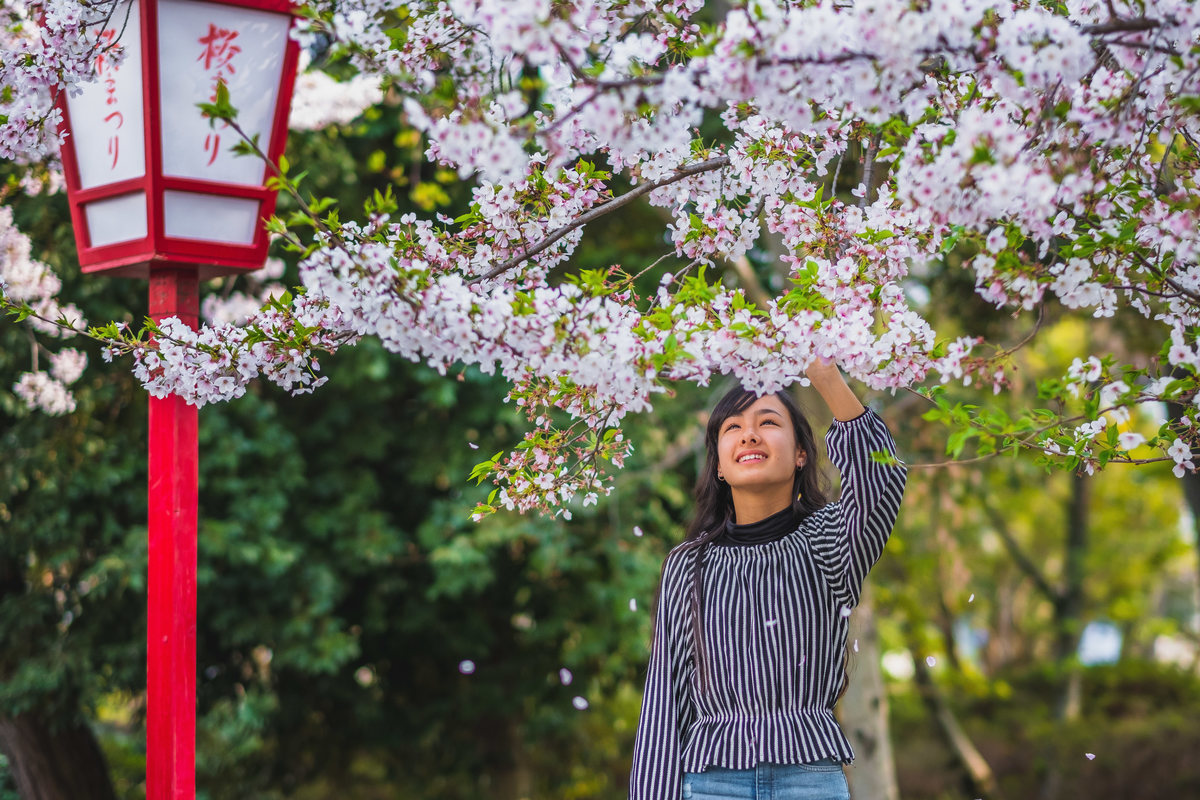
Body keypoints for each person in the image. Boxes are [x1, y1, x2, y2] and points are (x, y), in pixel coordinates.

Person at [629, 359, 907, 800]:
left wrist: (825, 375)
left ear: (801, 454)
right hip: (710, 782)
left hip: (810, 780)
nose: (749, 435)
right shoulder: (689, 564)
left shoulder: (829, 543)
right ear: (719, 466)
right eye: (733, 427)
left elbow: (880, 476)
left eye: (769, 422)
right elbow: (666, 699)